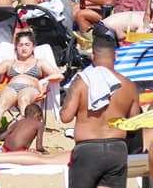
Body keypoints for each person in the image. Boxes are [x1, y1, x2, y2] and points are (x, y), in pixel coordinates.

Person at [60, 26, 139, 188]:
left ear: (92, 55)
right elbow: (134, 122)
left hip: (88, 149)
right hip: (117, 148)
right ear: (115, 56)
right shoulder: (129, 85)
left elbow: (65, 117)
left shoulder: (82, 82)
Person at [0, 31, 62, 136]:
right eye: (20, 45)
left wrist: (44, 80)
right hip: (12, 87)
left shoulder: (39, 62)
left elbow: (59, 75)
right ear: (16, 47)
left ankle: (20, 135)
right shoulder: (10, 63)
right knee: (1, 104)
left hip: (30, 88)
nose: (24, 48)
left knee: (24, 100)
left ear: (33, 47)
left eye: (27, 45)